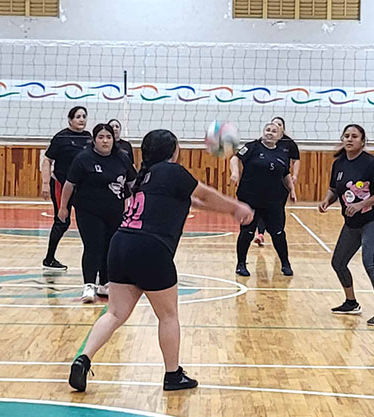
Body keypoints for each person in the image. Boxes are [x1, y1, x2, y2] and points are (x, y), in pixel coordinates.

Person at [68, 129, 253, 392]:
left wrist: (229, 212)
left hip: (121, 244)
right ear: (173, 150)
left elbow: (194, 202)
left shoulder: (144, 177)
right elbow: (204, 194)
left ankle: (83, 359)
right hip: (151, 248)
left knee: (115, 313)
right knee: (168, 315)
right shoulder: (172, 172)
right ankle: (173, 375)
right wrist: (236, 207)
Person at [318, 124, 374, 326]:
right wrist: (327, 200)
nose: (349, 139)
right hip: (352, 222)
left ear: (362, 141)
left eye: (354, 136)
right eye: (346, 136)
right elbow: (334, 189)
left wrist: (362, 204)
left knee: (370, 262)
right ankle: (351, 302)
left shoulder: (372, 164)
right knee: (338, 262)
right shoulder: (339, 164)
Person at [58, 123, 137, 302]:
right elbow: (69, 184)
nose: (105, 141)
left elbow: (132, 184)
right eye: (101, 137)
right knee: (93, 246)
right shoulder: (84, 158)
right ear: (94, 140)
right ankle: (89, 286)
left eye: (108, 137)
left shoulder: (122, 158)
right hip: (88, 211)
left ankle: (105, 284)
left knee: (110, 247)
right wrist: (63, 207)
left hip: (115, 210)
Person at [230, 123, 296, 277]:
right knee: (247, 231)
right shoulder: (252, 147)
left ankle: (285, 264)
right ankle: (241, 264)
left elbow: (285, 174)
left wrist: (292, 189)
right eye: (267, 130)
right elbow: (235, 158)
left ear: (279, 136)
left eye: (274, 131)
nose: (270, 133)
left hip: (273, 200)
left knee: (278, 233)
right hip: (250, 198)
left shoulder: (282, 153)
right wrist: (235, 173)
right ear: (263, 132)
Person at [41, 106, 92, 270]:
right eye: (78, 116)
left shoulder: (89, 137)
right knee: (62, 221)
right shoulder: (61, 137)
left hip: (82, 187)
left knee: (89, 222)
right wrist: (45, 183)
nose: (82, 119)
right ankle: (49, 259)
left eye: (84, 116)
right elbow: (47, 160)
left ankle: (95, 260)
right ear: (70, 120)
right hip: (61, 185)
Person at [252, 116, 302, 246]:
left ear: (283, 128)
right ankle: (260, 234)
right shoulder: (263, 142)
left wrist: (294, 176)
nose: (276, 127)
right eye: (273, 124)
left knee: (279, 209)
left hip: (281, 182)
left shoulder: (289, 143)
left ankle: (279, 233)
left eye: (279, 125)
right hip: (264, 182)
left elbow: (296, 159)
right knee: (261, 207)